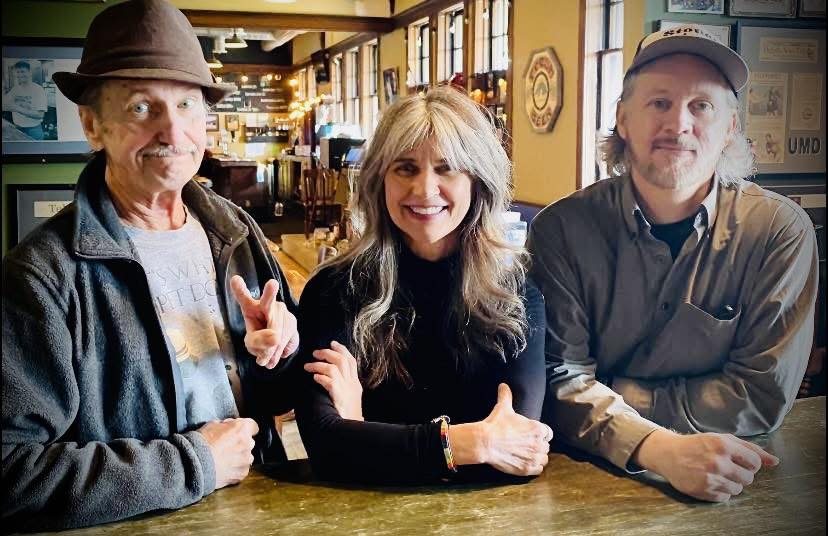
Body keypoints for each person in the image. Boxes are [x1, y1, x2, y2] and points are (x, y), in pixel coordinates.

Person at [2, 0, 300, 530]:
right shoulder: (43, 276)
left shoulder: (232, 231)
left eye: (187, 106)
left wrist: (279, 348)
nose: (172, 131)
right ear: (93, 125)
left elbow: (281, 398)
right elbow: (11, 473)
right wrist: (194, 464)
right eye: (143, 107)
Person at [528, 24, 818, 503]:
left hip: (737, 478)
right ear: (623, 119)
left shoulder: (778, 232)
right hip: (582, 485)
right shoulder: (561, 230)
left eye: (700, 106)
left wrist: (615, 391)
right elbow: (560, 382)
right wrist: (659, 449)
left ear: (730, 128)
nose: (678, 124)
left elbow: (760, 396)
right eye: (659, 103)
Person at [294, 85, 552, 484]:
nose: (424, 190)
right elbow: (327, 450)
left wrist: (363, 430)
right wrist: (474, 443)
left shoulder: (515, 294)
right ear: (380, 180)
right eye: (406, 168)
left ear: (476, 182)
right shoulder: (334, 291)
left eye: (446, 168)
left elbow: (516, 454)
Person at [2, 60, 47, 140]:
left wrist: (16, 108)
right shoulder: (15, 89)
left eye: (22, 71)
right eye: (18, 72)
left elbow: (39, 115)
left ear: (30, 72)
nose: (20, 75)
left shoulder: (38, 90)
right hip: (17, 127)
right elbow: (4, 104)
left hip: (33, 130)